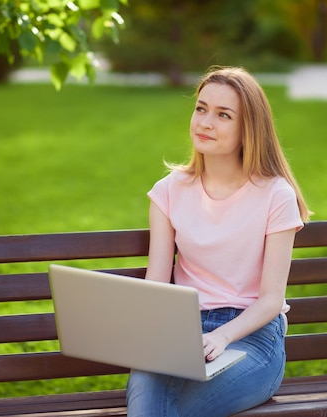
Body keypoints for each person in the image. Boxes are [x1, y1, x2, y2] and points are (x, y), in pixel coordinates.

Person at [125, 66, 311, 417]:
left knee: (171, 409)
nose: (205, 122)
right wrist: (143, 337)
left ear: (248, 129)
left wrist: (222, 336)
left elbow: (271, 300)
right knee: (152, 401)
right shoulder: (168, 192)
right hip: (181, 333)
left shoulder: (276, 195)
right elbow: (157, 283)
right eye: (201, 108)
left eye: (223, 115)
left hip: (252, 337)